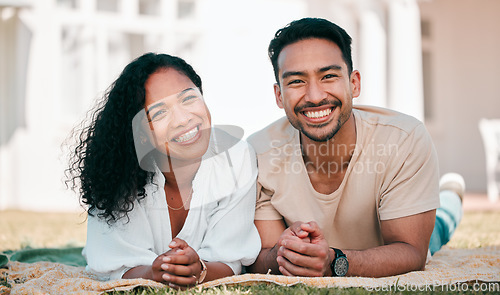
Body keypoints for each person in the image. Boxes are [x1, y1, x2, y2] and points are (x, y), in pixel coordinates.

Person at [247, 17, 463, 278]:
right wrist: (286, 254)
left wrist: (333, 261)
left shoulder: (403, 138)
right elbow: (263, 255)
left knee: (439, 229)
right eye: (296, 81)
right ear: (279, 95)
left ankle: (451, 195)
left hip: (388, 240)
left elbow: (411, 251)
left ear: (354, 83)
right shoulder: (258, 154)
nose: (315, 96)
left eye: (328, 76)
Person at [67, 53, 260, 288]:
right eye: (159, 113)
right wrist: (154, 273)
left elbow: (231, 259)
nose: (182, 119)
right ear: (141, 133)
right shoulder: (118, 173)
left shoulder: (236, 157)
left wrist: (199, 271)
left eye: (188, 99)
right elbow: (114, 265)